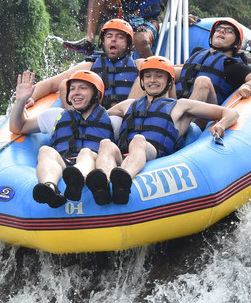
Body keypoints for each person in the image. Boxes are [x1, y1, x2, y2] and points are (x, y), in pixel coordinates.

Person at [89, 55, 239, 206]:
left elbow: (230, 113)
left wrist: (221, 125)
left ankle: (124, 180)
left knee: (138, 140)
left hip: (156, 157)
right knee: (106, 144)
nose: (152, 80)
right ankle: (103, 185)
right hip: (124, 156)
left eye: (159, 76)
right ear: (142, 81)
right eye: (148, 76)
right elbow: (95, 117)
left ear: (169, 81)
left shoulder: (181, 106)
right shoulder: (128, 104)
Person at [8, 69, 113, 208]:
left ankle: (77, 180)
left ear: (96, 94)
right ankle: (50, 189)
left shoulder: (112, 119)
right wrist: (20, 101)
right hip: (64, 164)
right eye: (72, 89)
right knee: (45, 150)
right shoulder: (56, 115)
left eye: (83, 88)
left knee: (86, 152)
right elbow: (17, 127)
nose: (76, 92)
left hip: (93, 167)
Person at [24, 18, 139, 109]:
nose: (113, 39)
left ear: (128, 44)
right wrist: (32, 97)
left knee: (143, 76)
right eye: (109, 36)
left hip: (125, 119)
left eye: (120, 37)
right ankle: (76, 126)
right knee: (64, 84)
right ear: (103, 42)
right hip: (95, 121)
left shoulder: (138, 65)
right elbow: (50, 84)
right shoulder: (90, 66)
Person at [177, 18, 251, 104]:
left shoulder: (232, 65)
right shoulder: (197, 51)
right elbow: (183, 71)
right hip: (177, 104)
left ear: (236, 44)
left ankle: (184, 114)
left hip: (204, 111)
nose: (221, 31)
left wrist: (248, 86)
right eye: (218, 29)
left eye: (229, 31)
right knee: (167, 67)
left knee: (203, 81)